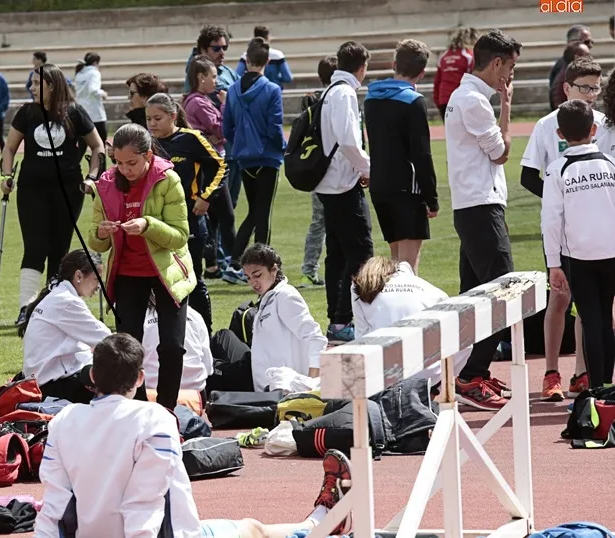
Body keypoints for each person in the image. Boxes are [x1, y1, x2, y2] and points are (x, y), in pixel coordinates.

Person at [34, 332, 353, 537]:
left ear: (92, 375)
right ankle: (319, 523)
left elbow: (54, 504)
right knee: (253, 530)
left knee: (252, 530)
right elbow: (144, 502)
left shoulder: (64, 420)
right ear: (141, 378)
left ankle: (320, 521)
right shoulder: (154, 418)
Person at [87, 123, 196, 411]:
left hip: (168, 273)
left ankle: (167, 410)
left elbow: (180, 236)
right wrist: (101, 232)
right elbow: (96, 244)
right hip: (127, 274)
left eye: (132, 163)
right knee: (127, 349)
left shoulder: (167, 179)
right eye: (119, 163)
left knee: (172, 346)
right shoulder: (106, 184)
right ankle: (133, 410)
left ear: (148, 155)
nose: (125, 169)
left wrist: (148, 225)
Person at [445, 29, 521, 411]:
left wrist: (504, 106)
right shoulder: (473, 101)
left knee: (476, 295)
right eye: (509, 67)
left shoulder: (468, 98)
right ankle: (470, 375)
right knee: (501, 294)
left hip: (476, 206)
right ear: (496, 63)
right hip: (480, 207)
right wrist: (505, 110)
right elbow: (502, 153)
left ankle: (470, 370)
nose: (510, 75)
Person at [520, 57, 601, 400]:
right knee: (560, 297)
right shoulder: (546, 126)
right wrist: (561, 197)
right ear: (566, 88)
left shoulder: (604, 123)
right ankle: (551, 372)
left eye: (596, 88)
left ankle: (582, 373)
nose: (591, 95)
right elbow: (527, 176)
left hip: (596, 230)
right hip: (561, 229)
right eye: (584, 87)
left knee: (591, 303)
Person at [0, 63, 105, 327]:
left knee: (60, 250)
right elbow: (10, 148)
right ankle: (26, 308)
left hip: (69, 191)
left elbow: (97, 146)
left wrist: (92, 177)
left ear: (52, 85)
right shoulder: (27, 112)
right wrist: (6, 175)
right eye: (32, 83)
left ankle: (49, 306)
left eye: (37, 83)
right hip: (32, 189)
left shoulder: (75, 112)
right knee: (35, 248)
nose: (31, 88)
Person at [543, 99, 615, 390]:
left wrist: (553, 264)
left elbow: (550, 220)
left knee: (590, 319)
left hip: (578, 258)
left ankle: (597, 387)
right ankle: (606, 385)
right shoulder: (611, 163)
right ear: (594, 129)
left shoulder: (557, 169)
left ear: (560, 134)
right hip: (611, 253)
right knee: (606, 319)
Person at [147, 92, 227, 332]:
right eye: (148, 118)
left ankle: (205, 333)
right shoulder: (146, 143)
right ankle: (167, 330)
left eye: (157, 118)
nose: (152, 124)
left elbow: (221, 166)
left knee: (192, 279)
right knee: (160, 280)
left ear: (173, 116)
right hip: (158, 223)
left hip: (190, 220)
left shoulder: (192, 138)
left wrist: (206, 197)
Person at [314, 41, 374, 343]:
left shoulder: (328, 91)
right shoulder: (345, 93)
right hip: (342, 183)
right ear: (361, 68)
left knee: (337, 253)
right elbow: (349, 140)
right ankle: (345, 318)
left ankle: (336, 318)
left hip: (328, 181)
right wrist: (367, 168)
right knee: (361, 251)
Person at [364, 39, 438, 274]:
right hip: (406, 188)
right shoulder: (413, 101)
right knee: (407, 271)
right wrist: (432, 197)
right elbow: (421, 154)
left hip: (380, 185)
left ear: (394, 64)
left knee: (395, 266)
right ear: (422, 73)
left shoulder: (371, 98)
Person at [217, 244, 326, 391]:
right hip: (261, 379)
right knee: (221, 340)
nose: (252, 283)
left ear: (274, 270)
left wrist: (311, 384)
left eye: (257, 275)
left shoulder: (286, 297)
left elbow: (316, 338)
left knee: (213, 361)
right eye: (248, 277)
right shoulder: (269, 296)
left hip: (279, 388)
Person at [351, 256, 471, 384]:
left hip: (384, 374)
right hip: (430, 373)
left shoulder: (359, 286)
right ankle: (438, 386)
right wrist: (445, 375)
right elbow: (464, 338)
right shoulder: (433, 290)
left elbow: (361, 337)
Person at [224, 38, 286, 276]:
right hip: (267, 158)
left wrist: (241, 141)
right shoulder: (271, 89)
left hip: (244, 158)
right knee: (263, 214)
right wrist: (283, 147)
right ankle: (263, 265)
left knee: (254, 211)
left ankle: (235, 261)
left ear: (246, 61)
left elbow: (227, 127)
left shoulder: (232, 90)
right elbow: (274, 126)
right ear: (267, 62)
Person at [20, 250, 111, 404]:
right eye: (96, 279)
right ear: (78, 276)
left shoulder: (58, 294)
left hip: (46, 382)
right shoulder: (66, 301)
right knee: (120, 369)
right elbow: (107, 339)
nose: (99, 286)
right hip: (54, 387)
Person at [182, 55, 240, 285]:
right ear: (200, 77)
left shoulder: (195, 100)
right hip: (211, 167)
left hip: (207, 164)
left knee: (213, 219)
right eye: (213, 76)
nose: (217, 81)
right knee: (226, 216)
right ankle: (236, 265)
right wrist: (226, 103)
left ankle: (213, 264)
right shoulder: (198, 102)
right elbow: (222, 128)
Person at [297, 56, 337, 289]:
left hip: (314, 170)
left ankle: (308, 269)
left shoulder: (313, 101)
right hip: (332, 171)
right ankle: (331, 269)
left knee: (318, 222)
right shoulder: (335, 98)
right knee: (335, 222)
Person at [142, 292, 214, 396]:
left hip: (152, 395)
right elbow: (208, 367)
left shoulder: (140, 320)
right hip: (195, 395)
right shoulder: (194, 315)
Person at [433, 27, 477, 120]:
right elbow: (474, 80)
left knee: (451, 133)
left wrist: (439, 102)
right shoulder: (469, 56)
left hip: (444, 100)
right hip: (462, 101)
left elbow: (437, 82)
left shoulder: (443, 56)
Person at [548, 24, 593, 107]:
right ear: (573, 42)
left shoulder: (576, 68)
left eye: (591, 42)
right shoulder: (564, 68)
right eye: (586, 42)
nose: (590, 45)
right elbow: (559, 100)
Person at [74, 52, 109, 145]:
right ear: (95, 62)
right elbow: (93, 90)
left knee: (82, 144)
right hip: (95, 113)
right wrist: (103, 93)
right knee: (101, 143)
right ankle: (100, 160)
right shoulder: (94, 73)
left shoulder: (79, 73)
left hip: (82, 111)